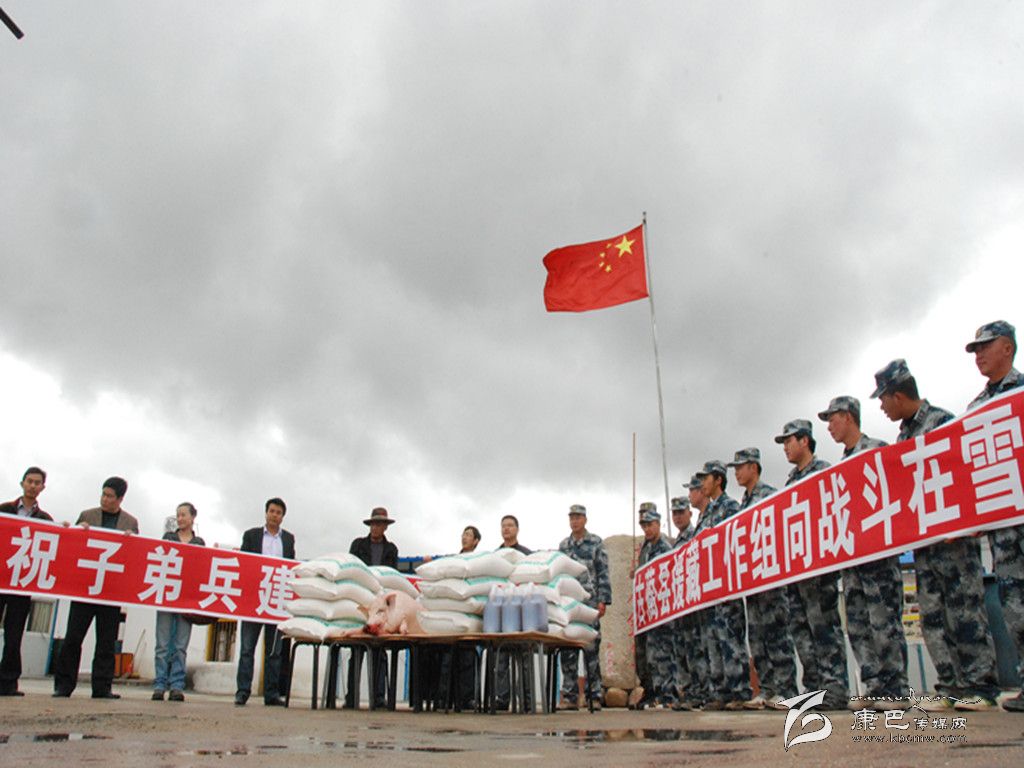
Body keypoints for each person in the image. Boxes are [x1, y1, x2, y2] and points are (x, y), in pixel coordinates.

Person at [873, 358, 1000, 710]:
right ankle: (949, 684)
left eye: (883, 399)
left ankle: (980, 687)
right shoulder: (902, 438)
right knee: (931, 616)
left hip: (953, 540)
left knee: (964, 611)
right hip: (925, 544)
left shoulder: (941, 422)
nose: (882, 408)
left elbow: (964, 472)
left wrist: (965, 521)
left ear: (898, 396)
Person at [818, 396, 908, 703]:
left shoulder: (877, 451)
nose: (829, 427)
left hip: (878, 559)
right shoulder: (840, 468)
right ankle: (874, 686)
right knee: (857, 625)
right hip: (853, 562)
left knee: (884, 623)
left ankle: (895, 689)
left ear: (848, 417)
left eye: (832, 419)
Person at [964, 321, 1024, 713]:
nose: (979, 355)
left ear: (1008, 347)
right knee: (1015, 608)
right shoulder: (975, 410)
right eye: (975, 350)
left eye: (985, 347)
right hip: (1002, 532)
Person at [775, 420, 849, 710]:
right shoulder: (790, 482)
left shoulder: (823, 473)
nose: (785, 447)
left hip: (819, 570)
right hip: (797, 572)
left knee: (824, 629)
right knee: (802, 632)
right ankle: (814, 688)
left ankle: (835, 689)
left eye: (789, 441)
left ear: (804, 441)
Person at [53, 476, 139, 699]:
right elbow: (72, 547)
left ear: (120, 499)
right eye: (103, 494)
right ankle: (63, 685)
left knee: (106, 642)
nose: (105, 499)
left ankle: (102, 687)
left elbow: (134, 558)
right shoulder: (87, 516)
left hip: (110, 592)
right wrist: (77, 530)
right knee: (73, 638)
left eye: (110, 496)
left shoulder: (130, 523)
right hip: (84, 588)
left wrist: (132, 542)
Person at [727, 447, 797, 710]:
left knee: (777, 634)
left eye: (740, 467)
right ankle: (767, 688)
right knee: (757, 637)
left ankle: (786, 689)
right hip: (753, 582)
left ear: (753, 467)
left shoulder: (768, 496)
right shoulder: (743, 504)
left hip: (771, 579)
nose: (736, 472)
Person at [694, 460, 750, 711]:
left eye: (706, 478)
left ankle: (739, 690)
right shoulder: (706, 514)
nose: (702, 484)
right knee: (713, 640)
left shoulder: (730, 507)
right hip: (709, 589)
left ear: (718, 480)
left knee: (731, 638)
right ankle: (720, 691)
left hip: (726, 586)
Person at [235, 497, 295, 707]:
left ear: (282, 517)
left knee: (274, 652)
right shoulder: (251, 535)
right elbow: (244, 563)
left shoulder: (288, 539)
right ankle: (243, 691)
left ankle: (271, 693)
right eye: (272, 511)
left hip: (275, 601)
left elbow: (290, 567)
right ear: (266, 513)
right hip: (253, 600)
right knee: (247, 649)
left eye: (278, 512)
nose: (274, 515)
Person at [0, 467, 53, 696]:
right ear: (22, 483)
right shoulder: (4, 510)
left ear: (42, 487)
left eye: (37, 483)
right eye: (29, 481)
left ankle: (8, 683)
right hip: (1, 579)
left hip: (22, 585)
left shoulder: (45, 519)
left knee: (14, 635)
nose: (32, 486)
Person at [557, 504, 611, 710]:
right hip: (569, 604)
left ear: (585, 520)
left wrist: (603, 600)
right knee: (568, 648)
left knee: (591, 648)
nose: (575, 521)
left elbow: (603, 572)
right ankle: (570, 696)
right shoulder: (564, 546)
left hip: (590, 602)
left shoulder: (595, 542)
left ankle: (594, 695)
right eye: (572, 518)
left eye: (578, 517)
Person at [152, 502, 205, 702]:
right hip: (167, 596)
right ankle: (159, 684)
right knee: (162, 644)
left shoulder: (199, 542)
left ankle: (176, 685)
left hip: (186, 600)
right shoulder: (168, 538)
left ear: (193, 517)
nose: (180, 519)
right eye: (178, 515)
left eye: (184, 515)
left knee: (181, 646)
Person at [346, 507, 398, 708]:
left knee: (379, 651)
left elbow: (392, 575)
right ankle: (352, 697)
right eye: (374, 523)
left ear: (385, 527)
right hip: (361, 600)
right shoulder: (358, 545)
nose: (376, 527)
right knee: (357, 649)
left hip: (380, 603)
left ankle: (378, 697)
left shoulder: (391, 549)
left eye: (380, 524)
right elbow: (351, 569)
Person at [668, 496, 708, 711]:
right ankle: (689, 691)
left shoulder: (694, 536)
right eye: (674, 513)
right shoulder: (675, 543)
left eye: (681, 513)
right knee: (682, 649)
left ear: (689, 514)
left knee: (696, 649)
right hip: (679, 605)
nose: (677, 517)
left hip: (693, 602)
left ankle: (701, 692)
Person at [635, 502, 676, 708]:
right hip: (647, 610)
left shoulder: (664, 547)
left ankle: (667, 694)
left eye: (650, 525)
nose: (647, 529)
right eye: (644, 526)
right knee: (648, 655)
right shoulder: (646, 548)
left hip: (662, 609)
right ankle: (653, 692)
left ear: (658, 524)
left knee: (663, 653)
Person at [494, 514, 532, 710]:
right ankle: (502, 698)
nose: (506, 529)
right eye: (503, 526)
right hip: (501, 611)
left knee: (524, 657)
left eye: (510, 525)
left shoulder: (526, 555)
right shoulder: (495, 556)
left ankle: (526, 698)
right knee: (501, 656)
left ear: (517, 529)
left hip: (522, 611)